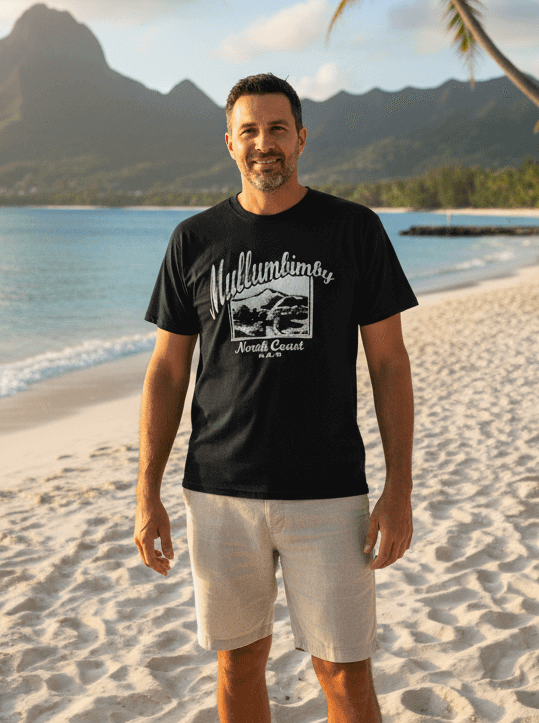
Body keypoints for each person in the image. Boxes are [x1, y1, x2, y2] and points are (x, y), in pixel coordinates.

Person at [134, 72, 417, 723]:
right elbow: (167, 372)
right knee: (238, 664)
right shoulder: (194, 240)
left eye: (277, 129)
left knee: (343, 671)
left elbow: (389, 364)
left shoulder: (354, 230)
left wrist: (398, 489)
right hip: (219, 492)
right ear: (230, 143)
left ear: (301, 139)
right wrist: (147, 493)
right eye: (250, 131)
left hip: (329, 492)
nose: (264, 143)